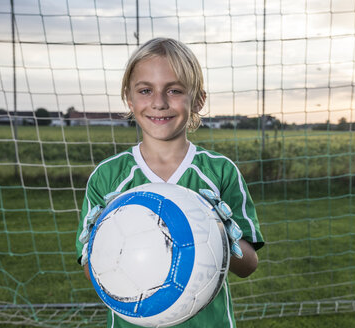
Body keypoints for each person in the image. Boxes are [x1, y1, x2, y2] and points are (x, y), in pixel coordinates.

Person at [75, 37, 264, 328]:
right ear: (129, 98)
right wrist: (100, 242)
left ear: (198, 99)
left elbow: (248, 266)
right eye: (145, 90)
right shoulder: (108, 177)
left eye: (174, 90)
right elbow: (92, 271)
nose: (159, 102)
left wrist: (223, 237)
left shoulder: (219, 172)